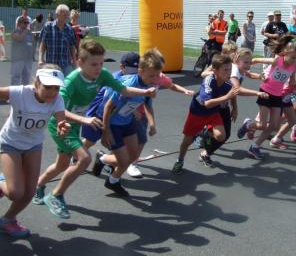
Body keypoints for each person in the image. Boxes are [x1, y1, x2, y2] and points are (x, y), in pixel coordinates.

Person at [32, 39, 156, 219]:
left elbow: (123, 90)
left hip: (76, 124)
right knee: (84, 158)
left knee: (62, 164)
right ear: (79, 62)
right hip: (61, 125)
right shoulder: (72, 80)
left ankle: (39, 186)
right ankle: (56, 195)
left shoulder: (103, 74)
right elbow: (58, 110)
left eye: (101, 63)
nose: (98, 68)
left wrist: (144, 93)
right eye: (93, 64)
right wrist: (84, 119)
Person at [0, 66, 70, 238]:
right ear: (37, 82)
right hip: (10, 143)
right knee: (15, 193)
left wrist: (63, 126)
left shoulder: (57, 99)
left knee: (29, 192)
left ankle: (7, 220)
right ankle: (2, 181)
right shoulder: (20, 93)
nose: (52, 92)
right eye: (48, 87)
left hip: (33, 146)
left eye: (56, 88)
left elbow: (62, 119)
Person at [88, 49, 164, 196]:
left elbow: (147, 104)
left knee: (133, 156)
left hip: (127, 121)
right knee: (124, 161)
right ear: (140, 71)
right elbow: (108, 106)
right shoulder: (129, 82)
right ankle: (110, 174)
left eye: (157, 75)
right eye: (151, 75)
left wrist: (152, 123)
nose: (155, 79)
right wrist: (106, 131)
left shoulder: (150, 85)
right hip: (113, 123)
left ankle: (106, 166)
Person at [172, 54, 239, 175]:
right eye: (225, 70)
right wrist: (227, 97)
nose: (229, 73)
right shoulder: (208, 81)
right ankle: (180, 160)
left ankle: (202, 133)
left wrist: (234, 108)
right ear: (215, 70)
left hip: (213, 113)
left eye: (230, 69)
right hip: (198, 112)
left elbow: (233, 92)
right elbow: (207, 103)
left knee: (221, 136)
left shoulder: (228, 83)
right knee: (187, 141)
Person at [237, 35, 296, 160]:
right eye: (292, 57)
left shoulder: (295, 66)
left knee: (274, 125)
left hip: (278, 95)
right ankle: (248, 124)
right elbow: (259, 60)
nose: (294, 60)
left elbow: (292, 82)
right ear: (285, 52)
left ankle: (254, 147)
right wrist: (252, 63)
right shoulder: (278, 60)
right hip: (265, 92)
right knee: (261, 125)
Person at [38, 4, 77, 76]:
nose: (67, 17)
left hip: (65, 64)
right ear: (57, 15)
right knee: (52, 86)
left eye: (67, 15)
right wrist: (40, 58)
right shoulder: (48, 26)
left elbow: (72, 46)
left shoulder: (70, 29)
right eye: (64, 15)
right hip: (51, 65)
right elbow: (43, 44)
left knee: (65, 85)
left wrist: (74, 61)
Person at [10, 16, 34, 85]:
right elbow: (19, 38)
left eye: (27, 23)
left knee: (26, 78)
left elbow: (32, 43)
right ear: (19, 23)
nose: (27, 24)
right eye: (25, 23)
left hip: (28, 59)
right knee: (16, 78)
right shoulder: (15, 31)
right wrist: (25, 32)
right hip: (18, 59)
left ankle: (24, 93)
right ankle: (15, 94)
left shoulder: (29, 33)